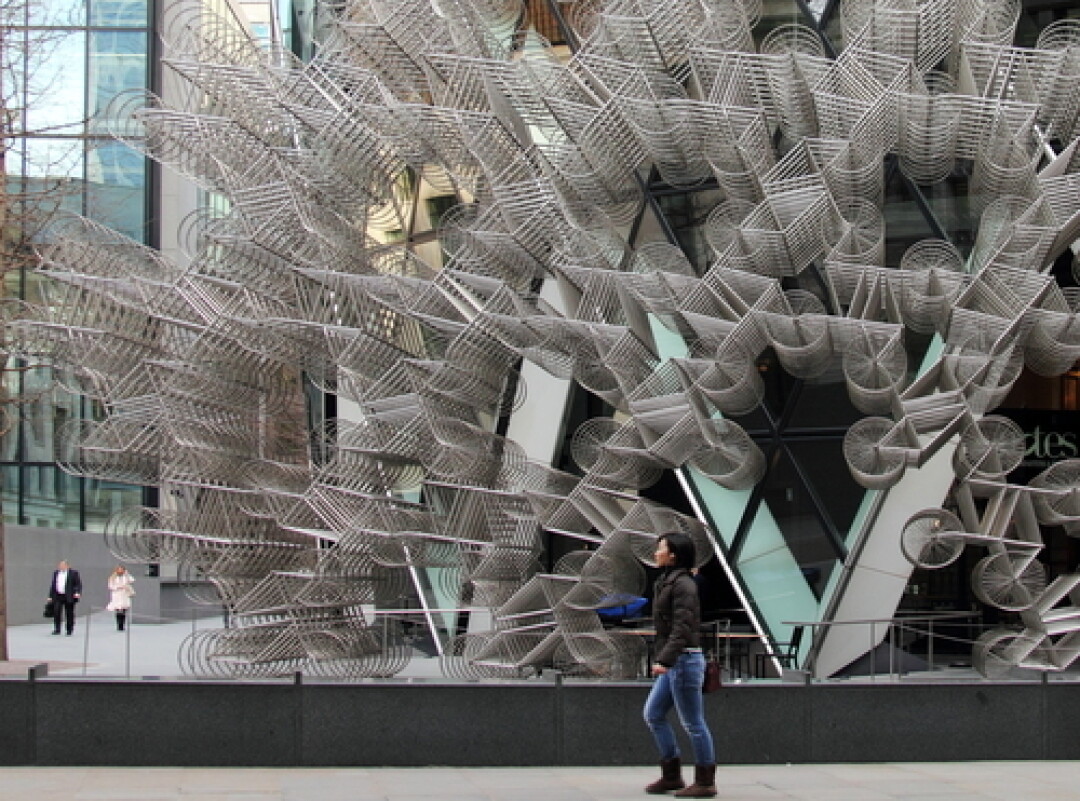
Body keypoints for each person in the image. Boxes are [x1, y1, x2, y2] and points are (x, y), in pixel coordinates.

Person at [643, 532, 717, 798]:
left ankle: (705, 781)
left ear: (673, 554)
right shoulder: (668, 581)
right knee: (653, 713)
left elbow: (683, 627)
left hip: (683, 660)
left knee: (694, 723)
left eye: (660, 548)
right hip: (676, 660)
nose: (656, 552)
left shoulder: (683, 585)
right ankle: (671, 775)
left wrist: (664, 659)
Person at [47, 560, 82, 636]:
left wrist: (77, 593)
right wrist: (50, 596)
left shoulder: (74, 573)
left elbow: (78, 584)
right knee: (57, 612)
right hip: (58, 595)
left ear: (67, 566)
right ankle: (57, 629)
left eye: (62, 565)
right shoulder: (56, 573)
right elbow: (53, 585)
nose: (61, 567)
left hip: (69, 595)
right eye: (60, 565)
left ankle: (69, 629)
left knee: (69, 613)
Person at [106, 565, 136, 631]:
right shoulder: (112, 578)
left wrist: (127, 574)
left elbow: (132, 580)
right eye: (119, 570)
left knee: (123, 610)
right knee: (118, 610)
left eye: (122, 570)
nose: (120, 571)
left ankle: (122, 625)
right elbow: (110, 586)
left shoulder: (126, 577)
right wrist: (118, 587)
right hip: (117, 595)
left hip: (124, 595)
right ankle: (119, 625)